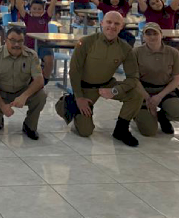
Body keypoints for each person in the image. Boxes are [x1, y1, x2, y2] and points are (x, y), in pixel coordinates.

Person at [55, 11, 142, 147]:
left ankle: (121, 129)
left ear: (121, 27)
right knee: (85, 131)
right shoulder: (86, 42)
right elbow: (75, 72)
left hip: (107, 84)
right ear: (101, 23)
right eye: (109, 22)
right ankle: (64, 104)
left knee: (136, 94)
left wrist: (114, 90)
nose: (112, 26)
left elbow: (133, 77)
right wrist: (79, 97)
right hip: (85, 88)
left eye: (116, 24)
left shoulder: (125, 48)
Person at [0, 27, 46, 140]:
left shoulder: (31, 55)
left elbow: (39, 80)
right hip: (0, 92)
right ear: (5, 40)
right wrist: (3, 106)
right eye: (12, 40)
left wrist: (24, 96)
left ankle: (29, 125)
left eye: (20, 41)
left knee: (41, 95)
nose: (16, 44)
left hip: (21, 91)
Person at [133, 23, 179, 136]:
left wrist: (159, 97)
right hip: (143, 91)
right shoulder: (136, 52)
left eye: (155, 33)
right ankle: (137, 114)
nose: (152, 37)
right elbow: (133, 80)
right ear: (143, 36)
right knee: (149, 131)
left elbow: (176, 79)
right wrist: (148, 99)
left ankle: (162, 116)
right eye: (148, 34)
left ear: (161, 35)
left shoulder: (173, 53)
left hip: (164, 91)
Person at [14, 0, 58, 83]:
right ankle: (25, 80)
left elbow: (52, 5)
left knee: (49, 61)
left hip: (44, 45)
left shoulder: (46, 17)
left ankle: (44, 80)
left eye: (39, 9)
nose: (37, 11)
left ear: (43, 10)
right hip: (29, 45)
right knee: (25, 64)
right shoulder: (27, 17)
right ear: (30, 9)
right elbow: (20, 7)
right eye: (34, 8)